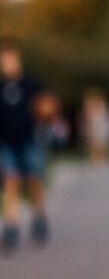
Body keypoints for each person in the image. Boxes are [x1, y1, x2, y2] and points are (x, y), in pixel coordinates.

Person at [0, 40, 51, 255]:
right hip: (5, 141)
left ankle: (39, 217)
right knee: (11, 181)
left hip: (29, 140)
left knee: (33, 181)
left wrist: (46, 112)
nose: (7, 63)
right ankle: (11, 225)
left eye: (10, 59)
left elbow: (46, 105)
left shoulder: (30, 83)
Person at [80, 88, 109, 164]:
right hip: (93, 126)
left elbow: (105, 116)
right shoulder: (89, 105)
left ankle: (102, 158)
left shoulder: (101, 105)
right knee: (93, 143)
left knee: (101, 142)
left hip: (100, 125)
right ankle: (94, 159)